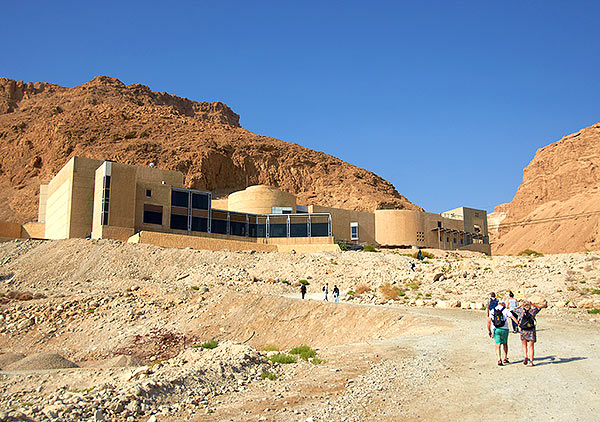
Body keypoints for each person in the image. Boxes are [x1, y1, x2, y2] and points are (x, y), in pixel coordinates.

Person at [511, 300, 543, 366]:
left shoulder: (521, 311)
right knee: (531, 346)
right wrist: (533, 304)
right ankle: (531, 361)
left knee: (524, 345)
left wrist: (520, 305)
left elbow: (513, 310)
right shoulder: (532, 311)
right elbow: (539, 308)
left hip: (523, 330)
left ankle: (525, 356)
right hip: (531, 330)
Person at [487, 300, 512, 366]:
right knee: (505, 343)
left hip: (496, 329)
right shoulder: (505, 310)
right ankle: (505, 358)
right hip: (504, 329)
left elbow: (489, 321)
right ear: (503, 304)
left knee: (498, 345)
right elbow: (512, 317)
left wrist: (489, 330)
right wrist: (518, 323)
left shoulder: (493, 310)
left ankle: (499, 359)